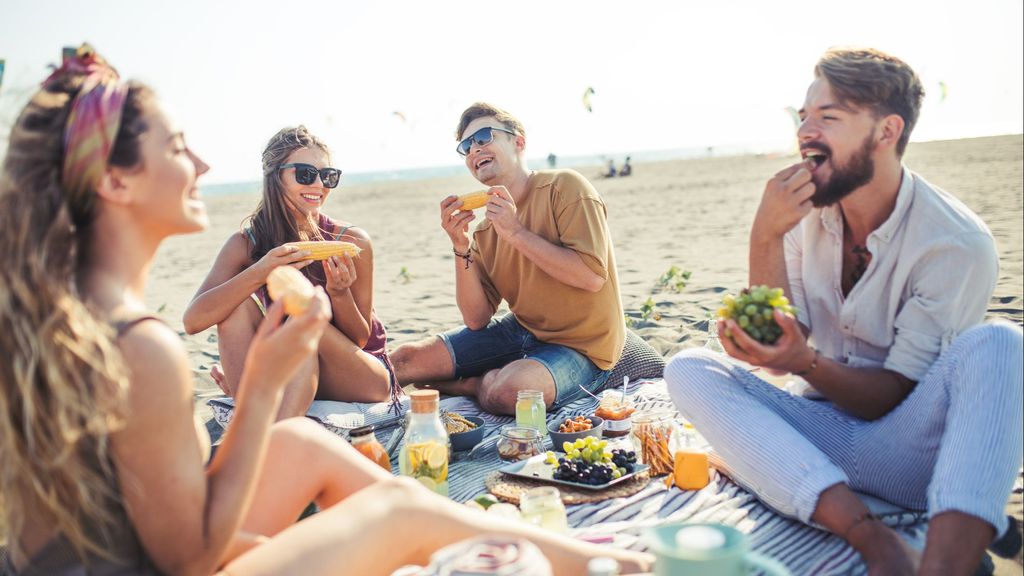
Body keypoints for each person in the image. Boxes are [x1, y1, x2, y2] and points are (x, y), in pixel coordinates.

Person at [0, 46, 653, 576]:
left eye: (325, 176)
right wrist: (260, 385)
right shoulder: (144, 346)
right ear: (114, 182)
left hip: (105, 552)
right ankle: (620, 567)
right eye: (178, 148)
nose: (201, 163)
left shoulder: (67, 308)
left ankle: (599, 562)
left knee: (305, 441)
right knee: (396, 513)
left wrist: (333, 305)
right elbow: (189, 558)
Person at [664, 48, 1023, 574]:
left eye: (828, 117)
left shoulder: (954, 243)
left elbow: (886, 400)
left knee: (1000, 344)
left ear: (886, 131)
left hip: (909, 451)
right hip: (820, 428)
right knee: (688, 367)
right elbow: (776, 345)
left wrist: (803, 362)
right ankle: (876, 541)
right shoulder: (800, 215)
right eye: (803, 116)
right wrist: (765, 234)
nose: (806, 131)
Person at [390, 103, 626, 415]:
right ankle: (493, 372)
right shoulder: (486, 230)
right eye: (466, 146)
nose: (474, 149)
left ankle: (471, 385)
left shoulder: (566, 187)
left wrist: (514, 231)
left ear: (519, 142)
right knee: (402, 361)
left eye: (484, 137)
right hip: (523, 330)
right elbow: (476, 318)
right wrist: (460, 245)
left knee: (511, 392)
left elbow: (591, 277)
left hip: (585, 346)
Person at [182, 125, 397, 419]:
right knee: (235, 307)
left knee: (302, 324)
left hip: (362, 377)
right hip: (293, 373)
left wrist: (339, 293)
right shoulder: (245, 244)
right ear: (275, 176)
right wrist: (261, 270)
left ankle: (271, 431)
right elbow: (194, 320)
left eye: (328, 176)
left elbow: (360, 340)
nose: (319, 185)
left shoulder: (351, 240)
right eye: (305, 174)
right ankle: (257, 417)